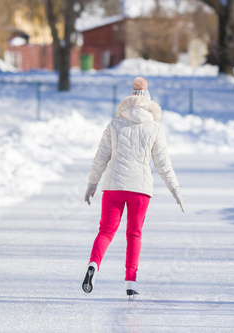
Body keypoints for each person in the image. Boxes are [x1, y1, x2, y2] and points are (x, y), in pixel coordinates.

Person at [82, 77, 184, 297]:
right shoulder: (154, 128)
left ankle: (93, 264)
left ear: (129, 102)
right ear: (149, 105)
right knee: (134, 234)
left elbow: (101, 157)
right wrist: (174, 189)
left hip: (113, 186)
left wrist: (92, 183)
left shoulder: (115, 123)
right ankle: (130, 282)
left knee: (106, 231)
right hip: (140, 189)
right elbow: (163, 163)